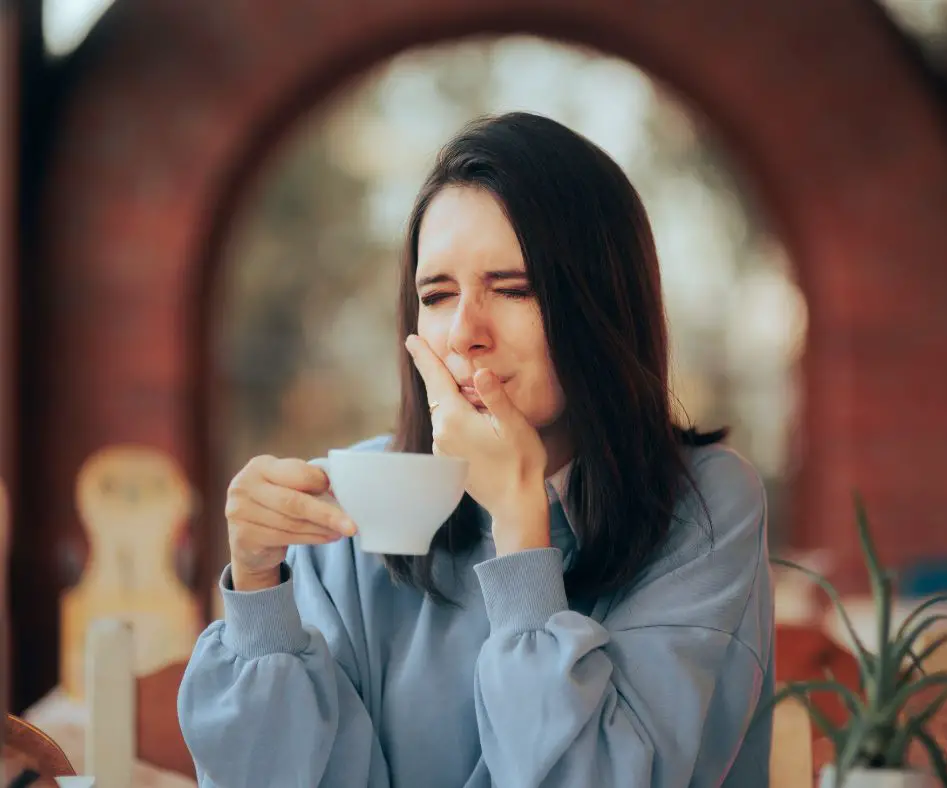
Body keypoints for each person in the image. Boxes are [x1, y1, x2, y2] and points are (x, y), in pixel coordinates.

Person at [177, 111, 774, 787]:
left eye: (514, 289)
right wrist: (258, 593)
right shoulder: (356, 501)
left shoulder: (702, 502)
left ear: (604, 302)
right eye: (436, 295)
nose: (464, 333)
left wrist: (520, 530)